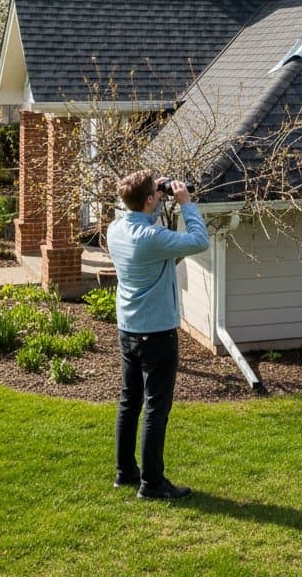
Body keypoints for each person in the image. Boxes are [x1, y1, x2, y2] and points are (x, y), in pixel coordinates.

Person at [107, 170, 210, 500]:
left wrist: (157, 190)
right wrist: (186, 204)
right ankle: (152, 484)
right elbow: (199, 241)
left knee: (129, 401)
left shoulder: (116, 229)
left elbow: (149, 223)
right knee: (155, 408)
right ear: (150, 199)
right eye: (157, 191)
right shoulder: (151, 238)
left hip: (129, 328)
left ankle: (126, 473)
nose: (161, 192)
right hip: (157, 332)